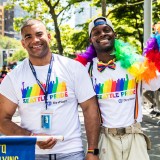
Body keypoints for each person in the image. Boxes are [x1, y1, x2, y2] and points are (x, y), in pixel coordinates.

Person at [0, 19, 101, 160]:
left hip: (71, 152)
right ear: (23, 43)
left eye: (39, 34)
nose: (35, 40)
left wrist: (92, 151)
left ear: (49, 37)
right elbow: (2, 120)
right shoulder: (13, 78)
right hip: (32, 154)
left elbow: (90, 108)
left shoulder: (73, 68)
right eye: (28, 37)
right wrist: (31, 137)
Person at [75, 17, 160, 160]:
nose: (102, 34)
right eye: (96, 32)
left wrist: (155, 49)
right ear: (91, 40)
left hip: (134, 136)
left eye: (106, 30)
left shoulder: (135, 62)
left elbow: (155, 84)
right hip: (104, 139)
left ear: (115, 34)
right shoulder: (85, 69)